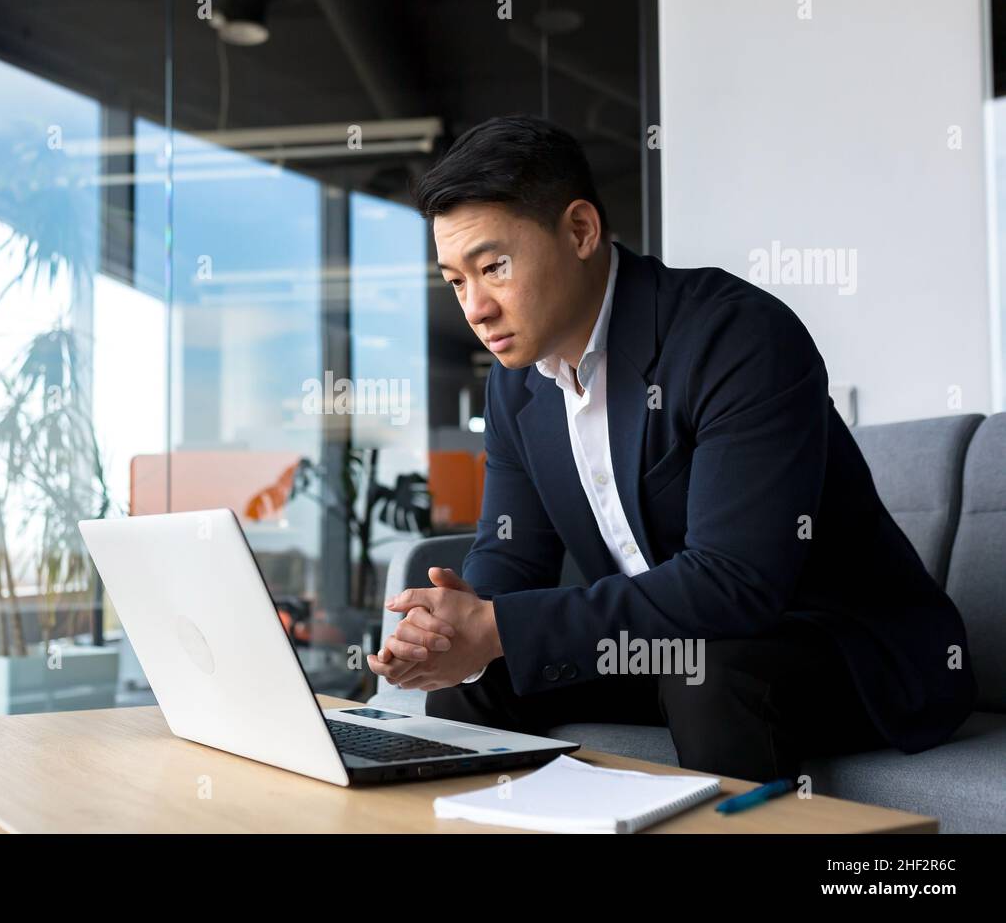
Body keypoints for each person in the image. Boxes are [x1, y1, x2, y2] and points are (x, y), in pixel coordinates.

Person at [365, 113, 976, 782]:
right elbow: (512, 556)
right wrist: (451, 627)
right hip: (664, 650)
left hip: (840, 647)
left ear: (580, 231)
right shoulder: (518, 388)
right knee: (471, 680)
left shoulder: (736, 337)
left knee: (711, 673)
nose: (475, 307)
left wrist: (499, 626)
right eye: (457, 280)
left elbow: (734, 583)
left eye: (495, 266)